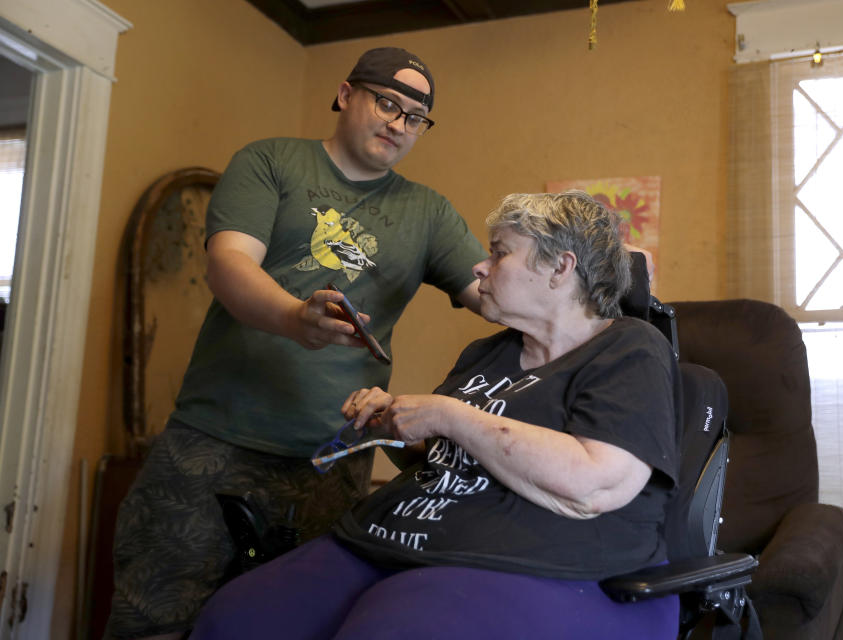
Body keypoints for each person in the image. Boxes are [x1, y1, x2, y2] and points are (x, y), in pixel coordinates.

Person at [106, 47, 489, 640]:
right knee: (156, 620)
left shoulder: (428, 213)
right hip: (212, 443)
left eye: (415, 117)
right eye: (387, 102)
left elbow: (493, 295)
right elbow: (229, 264)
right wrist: (293, 317)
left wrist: (586, 276)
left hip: (331, 462)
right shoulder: (272, 161)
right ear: (344, 93)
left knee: (296, 628)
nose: (398, 123)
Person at [189, 191, 681, 640]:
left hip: (515, 557)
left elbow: (598, 480)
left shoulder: (628, 346)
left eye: (500, 252)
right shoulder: (485, 353)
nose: (481, 268)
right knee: (231, 619)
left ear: (560, 268)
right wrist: (400, 428)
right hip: (396, 535)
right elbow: (447, 460)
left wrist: (448, 415)